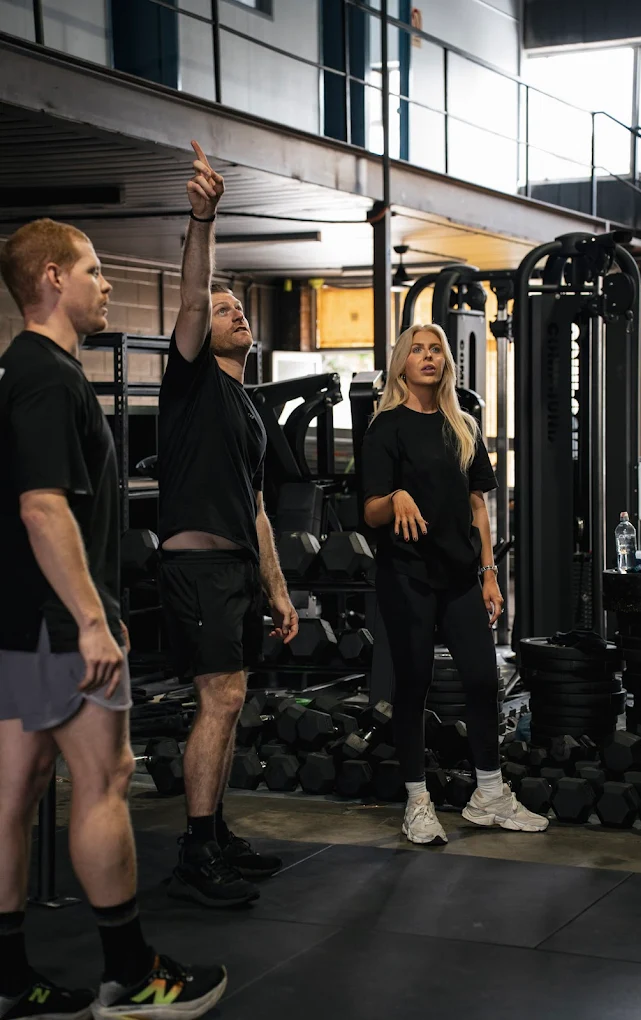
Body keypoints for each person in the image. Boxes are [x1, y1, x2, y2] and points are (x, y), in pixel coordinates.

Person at [0, 219, 226, 1020]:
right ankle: (132, 977)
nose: (106, 285)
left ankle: (7, 979)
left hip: (26, 624)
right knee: (105, 781)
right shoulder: (46, 377)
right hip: (60, 632)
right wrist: (93, 620)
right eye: (95, 270)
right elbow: (41, 508)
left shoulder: (24, 371)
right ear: (53, 278)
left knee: (15, 797)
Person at [158, 142, 299, 908]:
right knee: (220, 698)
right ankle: (194, 848)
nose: (233, 312)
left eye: (239, 307)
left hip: (237, 571)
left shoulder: (246, 408)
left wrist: (278, 590)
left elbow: (255, 507)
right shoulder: (188, 383)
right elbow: (187, 300)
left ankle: (213, 834)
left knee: (233, 696)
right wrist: (202, 220)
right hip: (199, 572)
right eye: (223, 309)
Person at [362, 323, 548, 845]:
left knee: (485, 682)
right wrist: (394, 496)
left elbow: (477, 507)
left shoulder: (461, 425)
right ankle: (417, 800)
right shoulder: (386, 427)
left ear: (446, 361)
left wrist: (490, 574)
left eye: (435, 349)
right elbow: (371, 510)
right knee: (414, 685)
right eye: (417, 349)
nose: (427, 356)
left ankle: (489, 794)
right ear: (402, 363)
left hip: (462, 577)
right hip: (407, 576)